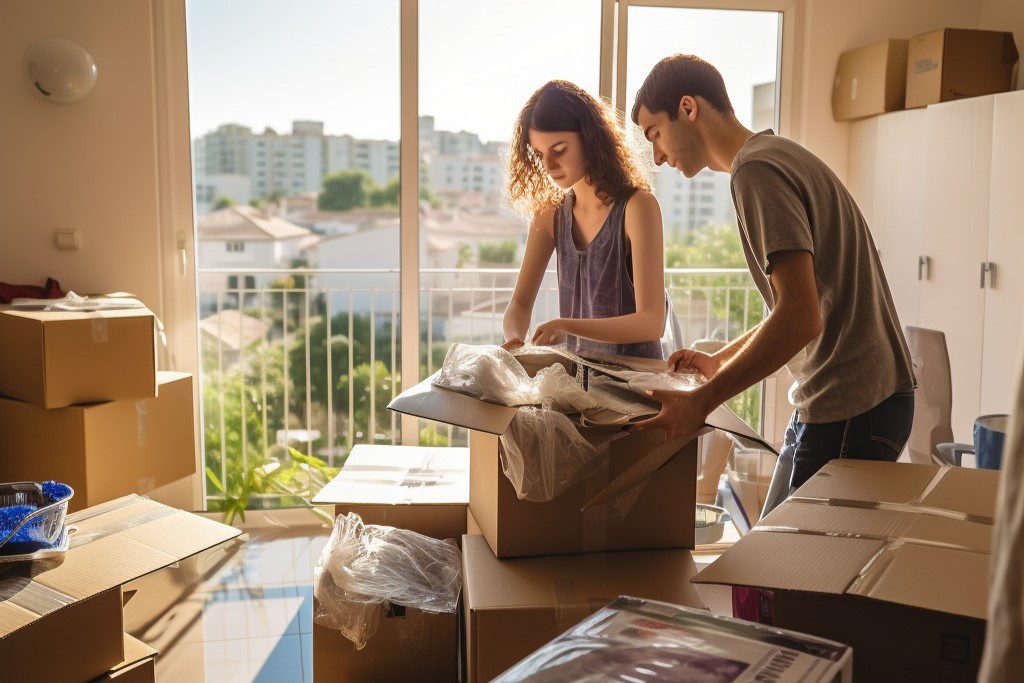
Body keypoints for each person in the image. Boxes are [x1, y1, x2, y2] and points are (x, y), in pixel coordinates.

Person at [628, 55, 916, 514]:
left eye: (655, 135)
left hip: (852, 405)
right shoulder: (775, 154)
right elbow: (797, 304)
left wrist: (701, 401)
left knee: (785, 575)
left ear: (687, 107)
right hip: (846, 401)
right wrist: (719, 361)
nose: (658, 157)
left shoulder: (755, 172)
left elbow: (801, 318)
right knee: (771, 559)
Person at [502, 80, 669, 360]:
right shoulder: (550, 214)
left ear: (590, 138)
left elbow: (652, 323)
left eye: (559, 150)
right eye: (540, 154)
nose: (549, 166)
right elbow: (518, 304)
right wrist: (516, 341)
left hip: (636, 387)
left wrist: (566, 326)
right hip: (579, 383)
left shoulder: (638, 207)